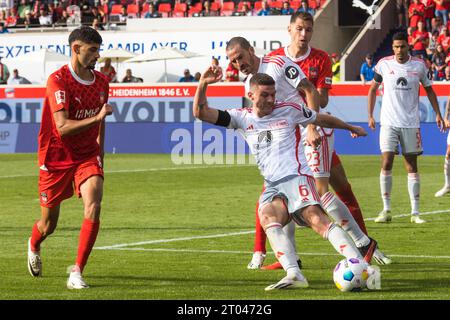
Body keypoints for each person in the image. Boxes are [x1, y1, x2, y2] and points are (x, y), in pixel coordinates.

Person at [193, 69, 380, 291]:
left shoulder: (289, 110)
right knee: (267, 216)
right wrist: (203, 83)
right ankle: (294, 274)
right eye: (265, 95)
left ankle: (359, 264)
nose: (271, 99)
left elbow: (320, 118)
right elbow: (201, 113)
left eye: (273, 94)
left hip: (297, 176)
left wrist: (350, 127)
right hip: (272, 184)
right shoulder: (241, 118)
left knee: (315, 218)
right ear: (251, 95)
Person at [245, 13, 390, 270]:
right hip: (288, 136)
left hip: (312, 130)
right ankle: (287, 257)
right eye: (299, 29)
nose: (303, 34)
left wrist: (310, 121)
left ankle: (364, 243)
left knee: (321, 195)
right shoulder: (273, 60)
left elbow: (319, 100)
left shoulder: (319, 58)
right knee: (285, 192)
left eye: (308, 30)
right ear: (289, 29)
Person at [27, 26, 113, 289]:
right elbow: (62, 127)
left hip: (86, 155)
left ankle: (77, 272)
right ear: (76, 49)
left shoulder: (101, 82)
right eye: (93, 50)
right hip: (56, 156)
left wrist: (99, 156)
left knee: (94, 203)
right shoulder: (58, 80)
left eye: (98, 50)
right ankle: (33, 243)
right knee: (48, 225)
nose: (97, 56)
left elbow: (101, 126)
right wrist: (97, 117)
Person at [367, 31, 445, 224]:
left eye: (402, 46)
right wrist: (370, 115)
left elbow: (429, 90)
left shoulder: (418, 66)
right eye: (396, 47)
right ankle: (386, 210)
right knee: (386, 163)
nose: (399, 50)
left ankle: (415, 213)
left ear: (408, 46)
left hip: (411, 123)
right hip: (388, 123)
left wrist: (437, 113)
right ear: (392, 48)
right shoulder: (384, 64)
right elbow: (372, 89)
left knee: (411, 166)